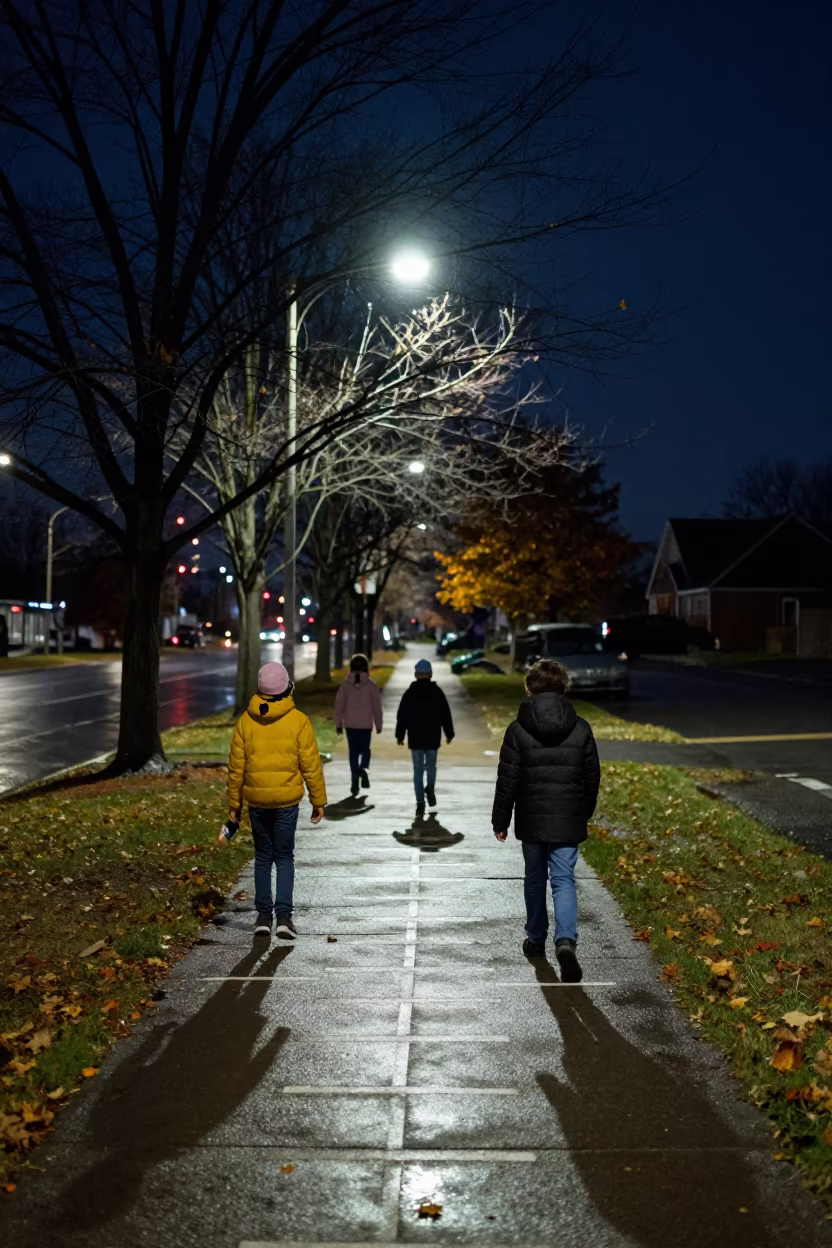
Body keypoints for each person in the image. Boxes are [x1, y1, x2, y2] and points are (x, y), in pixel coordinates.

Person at [491, 657, 600, 983]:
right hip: (567, 818)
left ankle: (536, 940)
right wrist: (584, 810)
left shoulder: (518, 730)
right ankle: (565, 940)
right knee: (564, 880)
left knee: (535, 879)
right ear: (563, 687)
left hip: (532, 818)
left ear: (529, 689)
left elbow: (507, 778)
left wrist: (501, 819)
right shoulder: (581, 728)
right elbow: (591, 776)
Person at [224, 660, 327, 940]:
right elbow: (310, 764)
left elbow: (236, 768)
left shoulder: (245, 722)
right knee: (284, 857)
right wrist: (318, 799)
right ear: (287, 688)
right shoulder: (298, 721)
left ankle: (262, 917)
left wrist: (234, 804)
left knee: (262, 857)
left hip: (257, 802)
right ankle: (283, 917)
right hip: (286, 802)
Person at [395, 657, 454, 814]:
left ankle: (420, 802)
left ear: (416, 674)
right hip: (433, 736)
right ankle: (430, 788)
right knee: (431, 766)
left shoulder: (409, 693)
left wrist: (400, 735)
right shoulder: (437, 692)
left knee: (418, 769)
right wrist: (449, 733)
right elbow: (445, 714)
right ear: (431, 674)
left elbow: (402, 716)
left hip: (415, 737)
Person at [334, 653, 383, 796]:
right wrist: (378, 724)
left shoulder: (345, 685)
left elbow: (339, 705)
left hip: (350, 725)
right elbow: (377, 706)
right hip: (366, 725)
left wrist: (338, 723)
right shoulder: (371, 685)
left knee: (353, 753)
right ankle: (363, 768)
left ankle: (354, 781)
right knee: (365, 750)